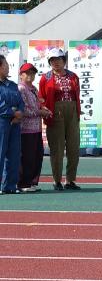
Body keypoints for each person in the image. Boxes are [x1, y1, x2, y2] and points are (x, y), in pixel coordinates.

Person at [38, 48, 81, 191]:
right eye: (52, 60)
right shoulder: (46, 77)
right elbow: (42, 98)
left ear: (64, 60)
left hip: (72, 111)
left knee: (74, 147)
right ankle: (57, 180)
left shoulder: (73, 76)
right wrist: (46, 110)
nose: (56, 62)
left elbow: (77, 95)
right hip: (55, 112)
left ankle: (70, 180)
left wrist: (76, 112)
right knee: (57, 148)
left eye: (58, 59)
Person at [17, 63, 50, 192]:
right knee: (27, 157)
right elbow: (23, 110)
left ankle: (32, 182)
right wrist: (39, 112)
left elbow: (38, 105)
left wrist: (44, 109)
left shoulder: (34, 89)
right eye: (27, 73)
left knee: (37, 155)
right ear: (21, 75)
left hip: (36, 128)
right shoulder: (21, 89)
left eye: (33, 73)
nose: (31, 75)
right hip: (25, 129)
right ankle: (24, 183)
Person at [0, 55, 24, 194]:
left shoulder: (13, 85)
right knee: (0, 153)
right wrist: (12, 112)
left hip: (14, 123)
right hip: (2, 121)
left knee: (14, 154)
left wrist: (19, 113)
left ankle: (10, 185)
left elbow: (20, 102)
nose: (8, 67)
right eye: (5, 64)